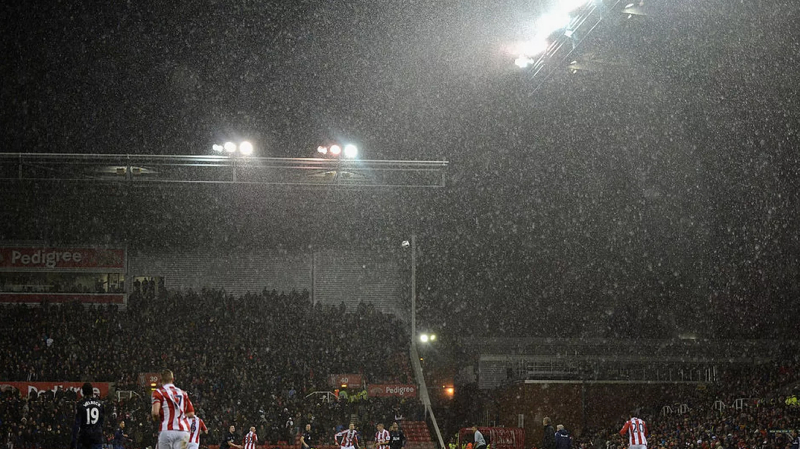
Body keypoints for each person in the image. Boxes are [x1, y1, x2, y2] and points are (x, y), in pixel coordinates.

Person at [151, 369, 195, 449]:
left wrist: (156, 419)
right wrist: (179, 415)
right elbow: (191, 413)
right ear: (173, 379)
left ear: (160, 380)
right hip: (183, 431)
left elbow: (155, 413)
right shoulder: (183, 393)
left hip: (167, 430)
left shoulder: (158, 392)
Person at [71, 383, 104, 449]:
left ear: (83, 392)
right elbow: (102, 421)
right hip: (97, 437)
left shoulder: (80, 404)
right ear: (92, 391)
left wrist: (73, 442)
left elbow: (77, 424)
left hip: (85, 438)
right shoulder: (100, 404)